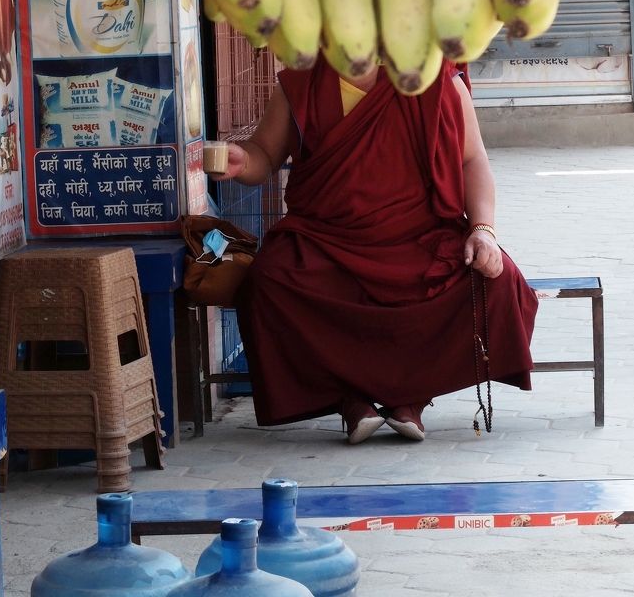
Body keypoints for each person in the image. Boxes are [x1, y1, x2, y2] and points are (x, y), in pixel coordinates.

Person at [210, 54, 538, 445]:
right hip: (327, 238)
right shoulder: (302, 83)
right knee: (268, 284)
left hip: (421, 235)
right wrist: (242, 160)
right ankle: (348, 399)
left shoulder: (433, 76)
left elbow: (472, 158)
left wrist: (483, 230)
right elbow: (265, 153)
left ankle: (413, 397)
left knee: (499, 283)